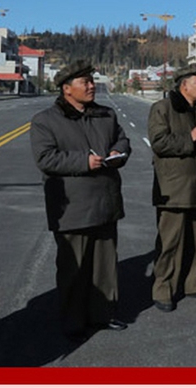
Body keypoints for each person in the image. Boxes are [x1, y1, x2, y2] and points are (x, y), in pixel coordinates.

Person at [30, 60, 131, 340]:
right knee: (73, 267)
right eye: (84, 83)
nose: (91, 86)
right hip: (72, 206)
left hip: (106, 200)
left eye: (91, 81)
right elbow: (45, 158)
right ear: (66, 89)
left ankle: (103, 313)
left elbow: (123, 140)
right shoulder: (45, 120)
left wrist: (117, 152)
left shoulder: (105, 115)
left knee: (105, 264)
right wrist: (83, 162)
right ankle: (73, 319)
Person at [147, 62, 196, 312]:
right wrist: (190, 138)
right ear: (184, 84)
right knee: (169, 243)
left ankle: (195, 283)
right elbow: (159, 143)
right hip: (172, 188)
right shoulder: (162, 108)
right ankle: (163, 289)